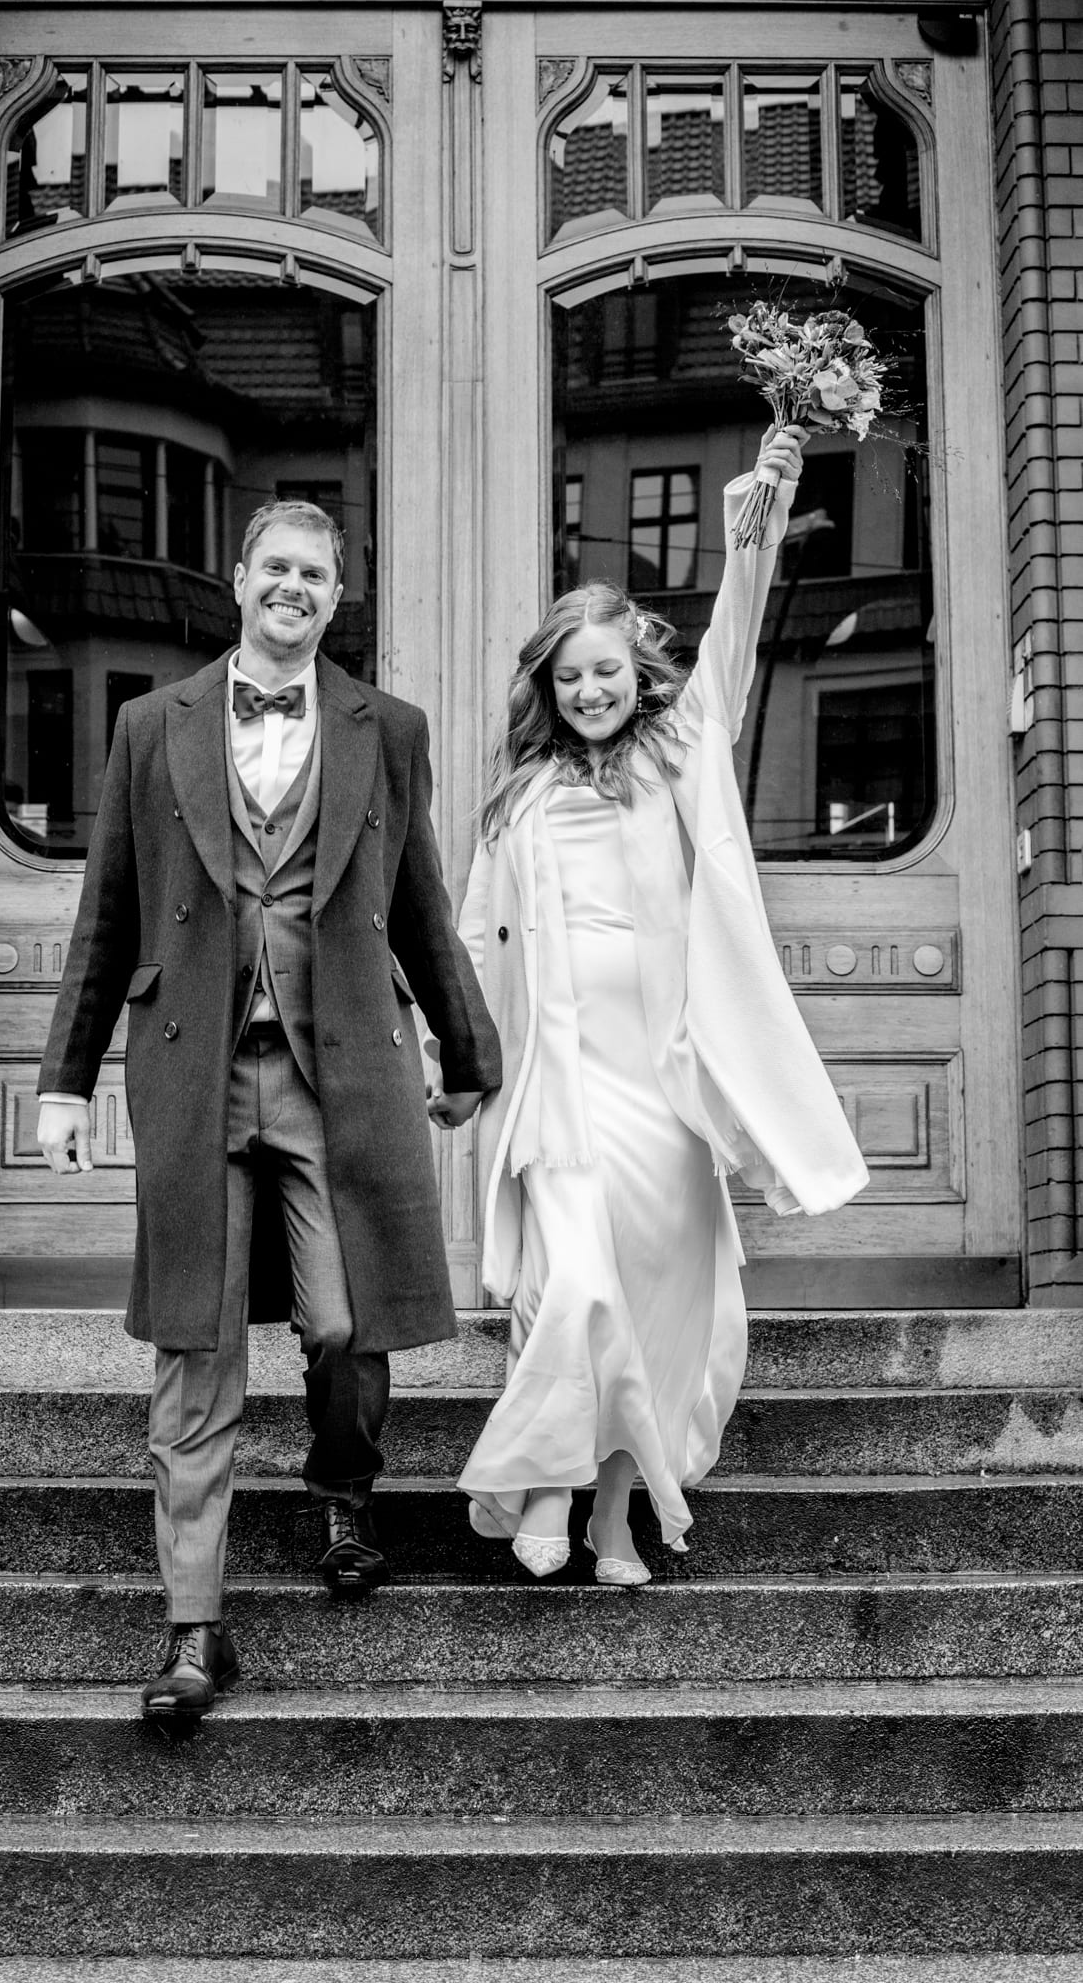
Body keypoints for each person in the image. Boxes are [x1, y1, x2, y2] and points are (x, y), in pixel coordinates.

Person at [36, 499, 500, 1717]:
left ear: (336, 598)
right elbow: (106, 911)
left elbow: (420, 902)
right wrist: (63, 1081)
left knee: (344, 1321)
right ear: (238, 579)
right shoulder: (152, 724)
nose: (293, 587)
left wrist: (467, 1050)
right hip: (190, 1069)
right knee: (196, 1350)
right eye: (275, 568)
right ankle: (195, 1629)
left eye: (315, 574)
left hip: (336, 1072)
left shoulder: (387, 729)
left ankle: (342, 1483)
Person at [447, 426, 868, 1583]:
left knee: (657, 1307)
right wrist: (455, 1058)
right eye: (569, 676)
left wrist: (761, 511)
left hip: (663, 1086)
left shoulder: (681, 754)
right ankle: (542, 1481)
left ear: (639, 675)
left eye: (606, 672)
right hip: (560, 1086)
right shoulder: (517, 801)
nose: (589, 690)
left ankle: (612, 1516)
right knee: (573, 1286)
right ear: (546, 688)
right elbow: (472, 941)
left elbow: (733, 637)